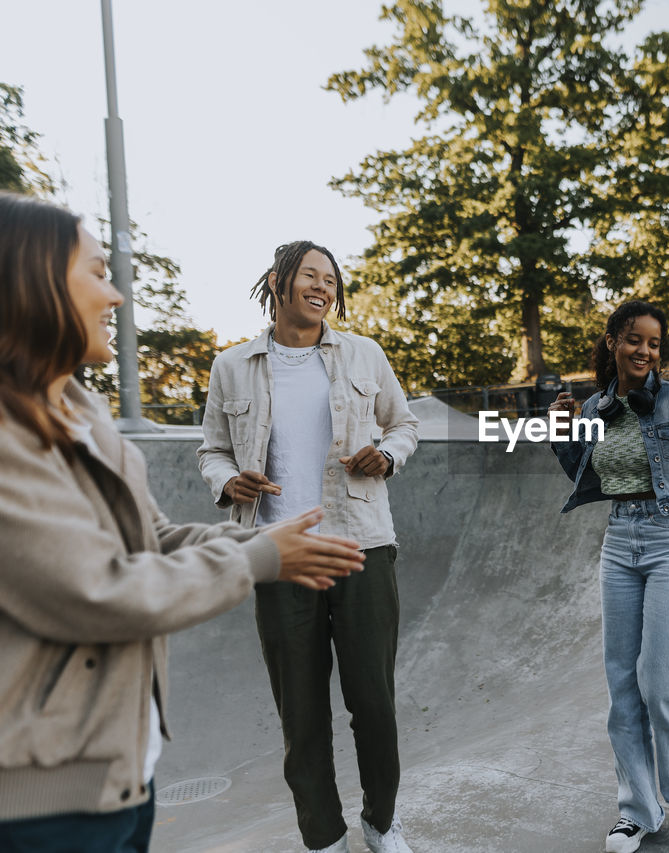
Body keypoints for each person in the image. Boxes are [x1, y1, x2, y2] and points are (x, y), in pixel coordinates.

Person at [0, 192, 367, 852]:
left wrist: (266, 538)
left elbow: (156, 535)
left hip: (120, 777)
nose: (115, 298)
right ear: (33, 284)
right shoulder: (9, 439)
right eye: (95, 272)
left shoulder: (79, 413)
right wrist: (258, 556)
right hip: (39, 805)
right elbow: (100, 590)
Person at [198, 240, 419, 853]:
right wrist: (227, 480)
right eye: (309, 275)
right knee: (301, 712)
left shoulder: (364, 355)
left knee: (373, 702)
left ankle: (380, 820)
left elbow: (404, 424)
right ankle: (323, 836)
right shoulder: (232, 365)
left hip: (361, 546)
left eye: (330, 278)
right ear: (278, 281)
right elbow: (212, 449)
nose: (321, 286)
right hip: (280, 552)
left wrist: (388, 454)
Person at [548, 301, 669, 853]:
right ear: (612, 342)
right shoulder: (596, 408)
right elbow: (583, 472)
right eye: (633, 340)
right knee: (622, 685)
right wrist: (563, 430)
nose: (644, 351)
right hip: (620, 542)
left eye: (653, 343)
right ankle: (638, 809)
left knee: (662, 678)